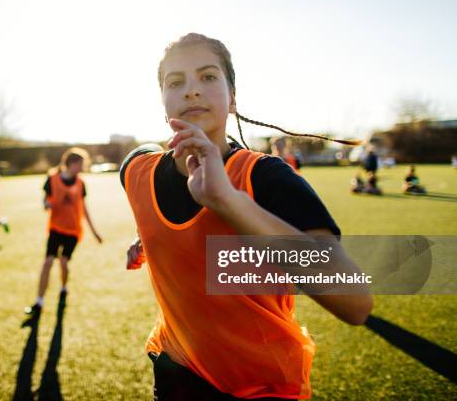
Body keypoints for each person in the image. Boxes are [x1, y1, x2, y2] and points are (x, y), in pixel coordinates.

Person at [121, 33, 373, 400]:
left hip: (260, 387)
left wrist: (229, 202)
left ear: (232, 99)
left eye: (208, 77)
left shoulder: (267, 177)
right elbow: (159, 201)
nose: (192, 90)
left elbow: (355, 302)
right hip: (175, 374)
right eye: (176, 82)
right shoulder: (135, 171)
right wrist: (149, 235)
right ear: (163, 101)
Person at [24, 148, 102, 316]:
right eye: (80, 164)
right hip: (55, 228)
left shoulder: (81, 183)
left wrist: (94, 232)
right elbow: (45, 199)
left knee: (64, 262)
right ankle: (39, 303)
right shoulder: (52, 179)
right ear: (71, 164)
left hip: (73, 231)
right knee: (47, 262)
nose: (82, 168)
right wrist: (46, 204)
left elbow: (84, 209)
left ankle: (64, 287)